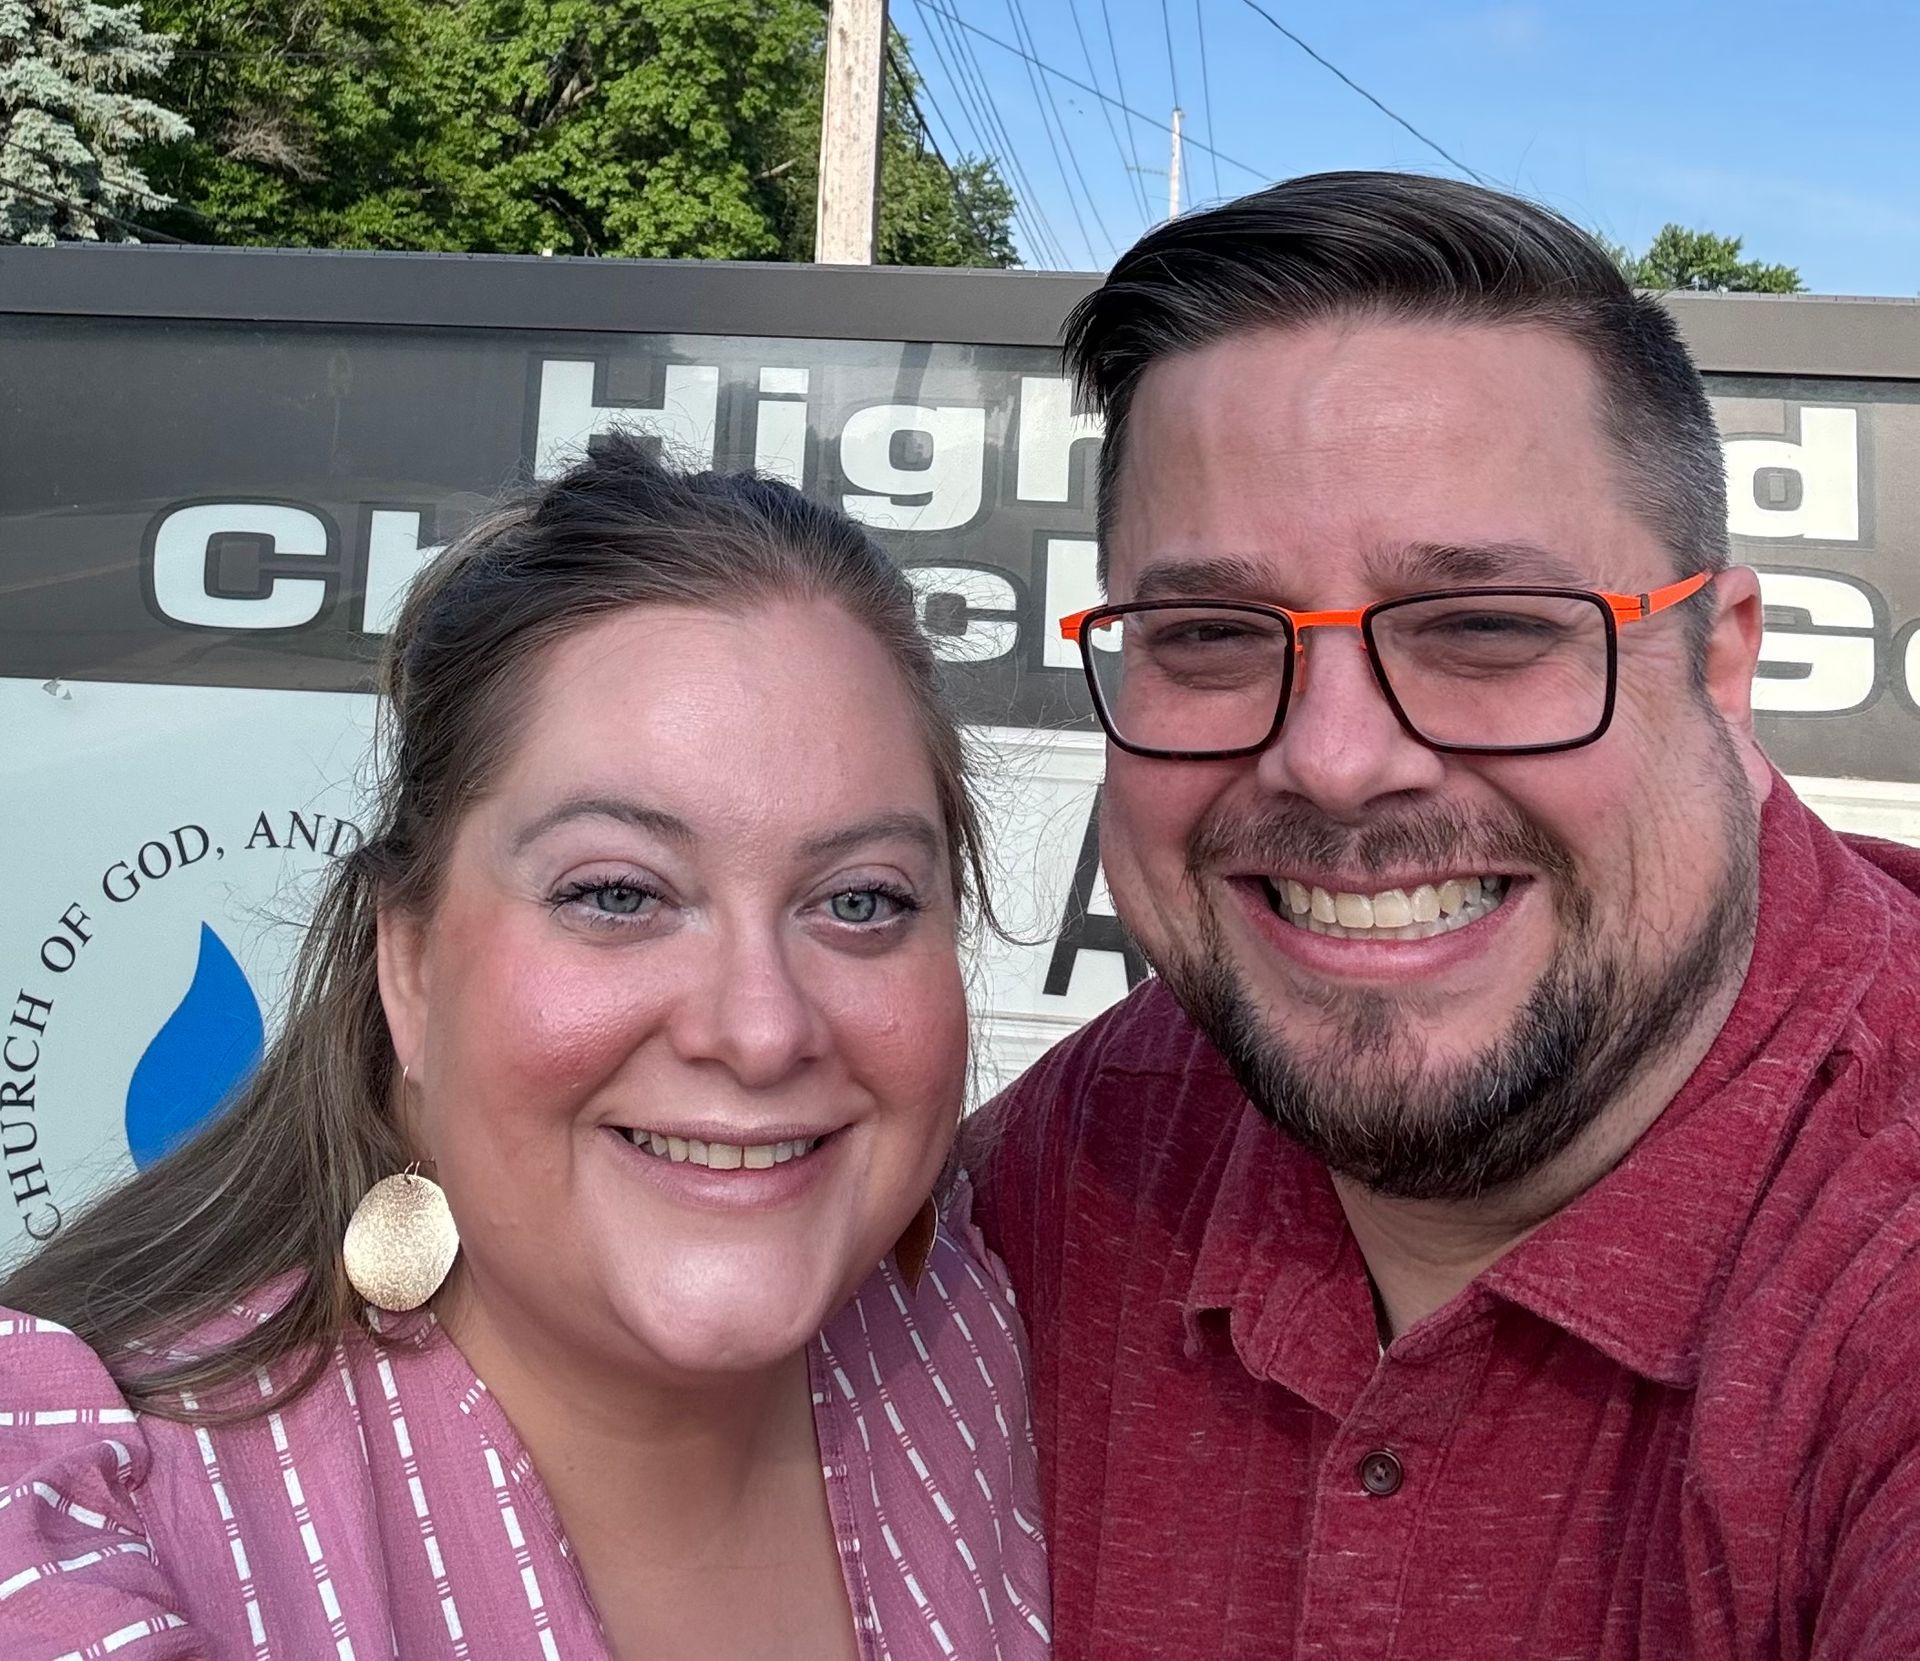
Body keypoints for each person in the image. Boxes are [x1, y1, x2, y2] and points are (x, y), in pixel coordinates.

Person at [968, 170, 1920, 1659]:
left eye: (1484, 626)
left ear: (1720, 666)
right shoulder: (1087, 1152)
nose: (1337, 761)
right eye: (1210, 635)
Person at [0, 439, 1050, 1660]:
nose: (762, 1029)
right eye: (617, 893)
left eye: (862, 900)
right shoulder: (82, 1518)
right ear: (411, 963)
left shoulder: (992, 1319)